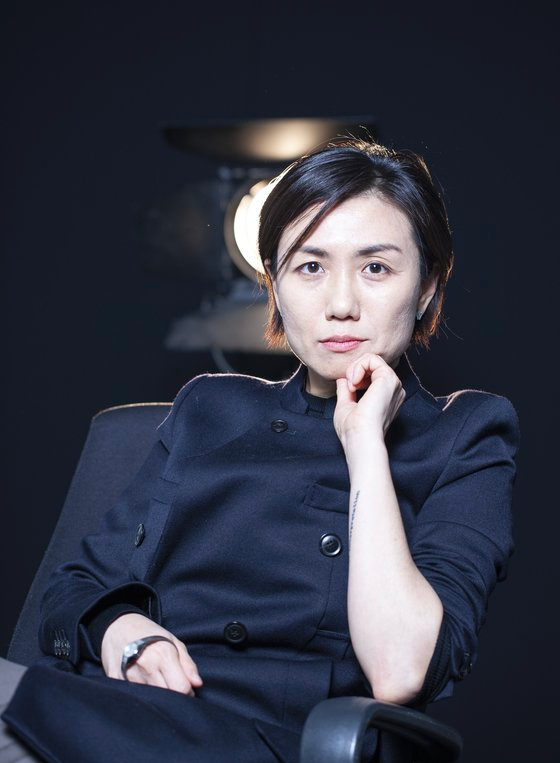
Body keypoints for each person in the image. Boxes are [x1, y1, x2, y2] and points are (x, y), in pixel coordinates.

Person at [1, 138, 519, 763]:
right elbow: (75, 587)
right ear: (273, 284)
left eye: (376, 268)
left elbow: (400, 668)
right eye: (310, 267)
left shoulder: (465, 433)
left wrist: (365, 447)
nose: (341, 304)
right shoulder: (210, 408)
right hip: (122, 709)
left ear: (428, 286)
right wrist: (122, 630)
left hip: (271, 743)